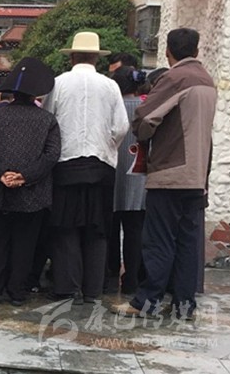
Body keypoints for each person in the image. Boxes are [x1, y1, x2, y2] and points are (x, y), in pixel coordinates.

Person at [112, 28, 216, 321]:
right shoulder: (207, 80)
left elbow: (144, 117)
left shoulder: (175, 78)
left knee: (159, 240)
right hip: (197, 174)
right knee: (187, 243)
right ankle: (184, 305)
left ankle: (146, 302)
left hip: (170, 172)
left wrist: (144, 135)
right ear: (196, 51)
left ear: (168, 51)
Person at [42, 32, 129, 304]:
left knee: (65, 227)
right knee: (97, 228)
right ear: (96, 58)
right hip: (100, 166)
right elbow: (121, 127)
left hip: (65, 166)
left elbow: (47, 120)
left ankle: (68, 287)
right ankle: (92, 290)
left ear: (72, 57)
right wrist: (106, 145)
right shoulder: (110, 86)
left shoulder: (58, 84)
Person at [0, 57, 61, 306]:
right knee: (25, 244)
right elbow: (51, 155)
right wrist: (25, 176)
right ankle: (17, 291)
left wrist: (2, 173)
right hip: (32, 194)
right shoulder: (48, 120)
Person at [108, 66, 147, 295]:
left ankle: (110, 273)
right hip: (139, 176)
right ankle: (132, 278)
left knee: (110, 229)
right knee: (135, 232)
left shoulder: (112, 107)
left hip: (113, 175)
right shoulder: (146, 106)